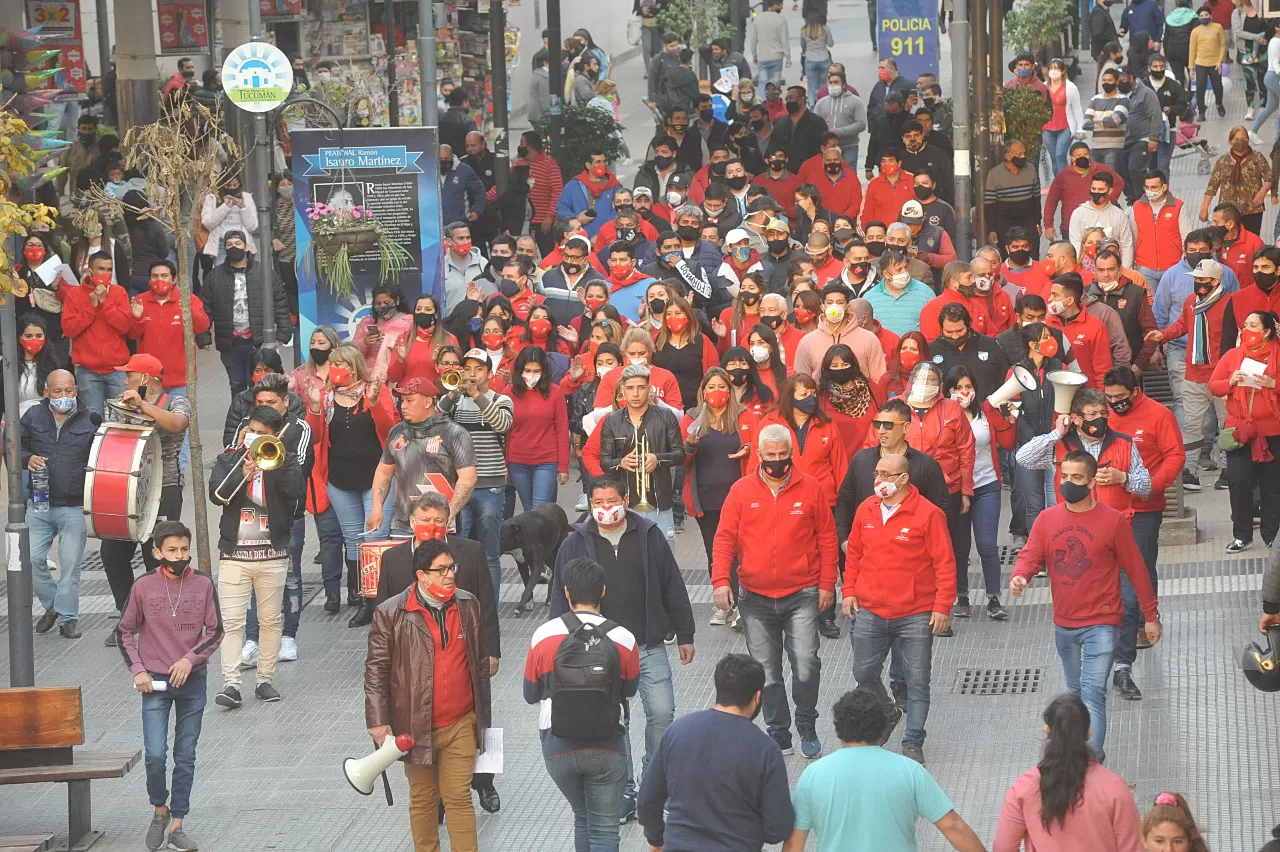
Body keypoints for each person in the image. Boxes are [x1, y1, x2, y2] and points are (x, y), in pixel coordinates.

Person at [548, 472, 695, 823]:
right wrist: (559, 642)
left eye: (612, 501)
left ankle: (653, 782)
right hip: (599, 652)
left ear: (626, 500)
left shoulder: (649, 535)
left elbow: (672, 584)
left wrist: (685, 632)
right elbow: (558, 594)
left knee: (662, 712)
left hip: (647, 643)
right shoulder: (575, 542)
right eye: (598, 503)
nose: (605, 508)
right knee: (615, 721)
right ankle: (626, 787)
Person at [1011, 451, 1161, 762]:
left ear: (1092, 482)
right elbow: (1030, 554)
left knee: (1093, 693)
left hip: (1102, 623)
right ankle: (1076, 755)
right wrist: (1020, 576)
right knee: (1074, 694)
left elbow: (1136, 569)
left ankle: (1093, 760)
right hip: (1064, 623)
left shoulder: (1113, 521)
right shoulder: (1046, 519)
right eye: (1064, 476)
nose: (1068, 483)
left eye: (1076, 478)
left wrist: (1150, 615)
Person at [712, 423, 839, 757]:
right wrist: (720, 581)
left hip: (802, 594)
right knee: (766, 671)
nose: (777, 461)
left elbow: (827, 538)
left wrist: (828, 584)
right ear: (759, 455)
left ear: (792, 454)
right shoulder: (740, 491)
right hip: (754, 597)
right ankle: (778, 731)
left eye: (783, 455)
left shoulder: (811, 489)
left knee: (807, 664)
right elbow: (724, 537)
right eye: (771, 455)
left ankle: (807, 723)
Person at [365, 538, 492, 852]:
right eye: (441, 570)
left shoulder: (468, 604)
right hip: (414, 726)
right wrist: (379, 721)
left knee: (459, 797)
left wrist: (481, 718)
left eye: (452, 568)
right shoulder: (390, 612)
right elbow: (376, 670)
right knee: (423, 800)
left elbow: (478, 662)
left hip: (461, 722)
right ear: (421, 575)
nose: (450, 575)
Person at [116, 521, 222, 852]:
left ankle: (178, 824)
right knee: (155, 755)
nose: (180, 556)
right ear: (158, 552)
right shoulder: (143, 586)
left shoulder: (203, 583)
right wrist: (137, 670)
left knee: (186, 755)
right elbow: (124, 631)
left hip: (193, 681)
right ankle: (159, 810)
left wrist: (190, 659)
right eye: (173, 550)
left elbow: (216, 631)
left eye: (184, 550)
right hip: (155, 683)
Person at [526, 556, 640, 851]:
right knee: (604, 827)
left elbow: (529, 694)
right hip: (607, 743)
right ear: (603, 591)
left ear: (566, 592)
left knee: (582, 817)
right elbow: (629, 690)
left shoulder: (543, 635)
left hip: (557, 743)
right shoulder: (624, 638)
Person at [783, 689, 986, 852]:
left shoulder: (813, 775)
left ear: (837, 730)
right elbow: (952, 826)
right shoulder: (910, 771)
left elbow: (794, 844)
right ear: (882, 729)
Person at [638, 653, 793, 851]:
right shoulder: (765, 749)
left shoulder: (678, 731)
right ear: (757, 697)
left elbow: (647, 800)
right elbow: (778, 828)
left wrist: (656, 839)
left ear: (719, 689)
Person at [210, 405, 304, 708]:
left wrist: (270, 464)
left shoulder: (286, 461)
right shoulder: (228, 459)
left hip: (272, 553)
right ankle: (231, 684)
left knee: (270, 620)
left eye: (262, 434)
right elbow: (217, 495)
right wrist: (242, 471)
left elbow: (296, 492)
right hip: (235, 553)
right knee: (233, 622)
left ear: (275, 436)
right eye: (251, 431)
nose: (254, 437)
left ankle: (265, 679)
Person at [1101, 367, 1183, 700]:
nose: (1114, 404)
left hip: (1145, 507)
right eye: (1110, 399)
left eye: (1120, 398)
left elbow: (1175, 455)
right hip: (1108, 506)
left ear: (1135, 392)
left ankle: (1142, 621)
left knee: (1141, 568)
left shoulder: (1158, 415)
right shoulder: (1101, 413)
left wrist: (1152, 485)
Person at [100, 354, 192, 646]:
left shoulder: (177, 401)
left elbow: (177, 425)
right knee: (112, 552)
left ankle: (163, 620)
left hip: (163, 488)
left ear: (145, 379)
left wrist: (143, 405)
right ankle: (128, 615)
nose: (124, 380)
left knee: (158, 556)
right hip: (126, 488)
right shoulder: (118, 402)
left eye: (129, 375)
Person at [993, 693, 1145, 852]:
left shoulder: (1023, 788)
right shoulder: (1114, 788)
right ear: (1088, 732)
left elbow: (1003, 847)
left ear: (1047, 731)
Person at [1148, 257, 1233, 491]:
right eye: (1196, 279)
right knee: (1191, 426)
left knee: (1227, 425)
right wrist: (1162, 335)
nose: (1198, 283)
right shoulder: (1191, 302)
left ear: (1216, 281)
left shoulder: (1230, 303)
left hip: (1222, 375)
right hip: (1194, 374)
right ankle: (1190, 472)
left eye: (1203, 279)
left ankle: (1228, 470)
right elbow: (1182, 326)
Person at [681, 368, 759, 626]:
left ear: (730, 390)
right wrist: (690, 444)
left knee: (741, 552)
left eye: (722, 387)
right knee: (715, 552)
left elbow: (758, 447)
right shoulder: (691, 418)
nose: (717, 392)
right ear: (703, 391)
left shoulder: (744, 416)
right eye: (711, 387)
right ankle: (722, 604)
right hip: (706, 497)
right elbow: (681, 459)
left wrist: (748, 450)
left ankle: (740, 603)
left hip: (739, 497)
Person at [22, 369, 95, 639]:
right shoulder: (33, 416)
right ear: (46, 391)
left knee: (70, 565)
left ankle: (68, 619)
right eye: (57, 391)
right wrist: (27, 458)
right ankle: (53, 606)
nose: (63, 396)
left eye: (68, 391)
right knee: (30, 559)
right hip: (39, 502)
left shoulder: (91, 419)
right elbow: (14, 446)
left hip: (74, 504)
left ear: (76, 389)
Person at [437, 348, 513, 604]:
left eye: (478, 369)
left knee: (490, 552)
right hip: (459, 487)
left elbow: (502, 424)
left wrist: (478, 396)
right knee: (455, 548)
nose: (471, 374)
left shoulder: (501, 399)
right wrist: (452, 393)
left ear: (489, 374)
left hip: (490, 487)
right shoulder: (455, 401)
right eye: (467, 369)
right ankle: (459, 599)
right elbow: (435, 419)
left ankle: (490, 604)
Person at [944, 366, 1016, 621]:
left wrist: (1008, 422)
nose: (964, 393)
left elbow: (1006, 444)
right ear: (948, 391)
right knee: (960, 547)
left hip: (986, 485)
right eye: (958, 388)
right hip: (956, 487)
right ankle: (961, 597)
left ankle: (994, 598)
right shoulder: (944, 414)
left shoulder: (986, 411)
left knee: (987, 545)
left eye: (969, 387)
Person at [369, 376, 478, 539]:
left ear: (428, 402)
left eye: (409, 400)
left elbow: (468, 478)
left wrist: (449, 513)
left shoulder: (455, 433)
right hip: (402, 525)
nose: (403, 406)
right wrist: (377, 509)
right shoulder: (397, 432)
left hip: (442, 527)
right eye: (402, 400)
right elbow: (384, 472)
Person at [1208, 309, 1280, 552]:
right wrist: (1230, 382)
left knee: (1272, 484)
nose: (1245, 330)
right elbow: (1214, 386)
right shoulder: (1233, 355)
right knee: (1239, 483)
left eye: (1252, 325)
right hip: (1240, 430)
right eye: (1244, 326)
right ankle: (1242, 535)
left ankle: (1271, 534)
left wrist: (1274, 384)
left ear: (1266, 331)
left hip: (1272, 430)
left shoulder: (1277, 355)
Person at [598, 363, 684, 541]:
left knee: (663, 559)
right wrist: (620, 463)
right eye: (630, 388)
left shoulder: (666, 416)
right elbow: (605, 461)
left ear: (649, 388)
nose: (635, 393)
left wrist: (657, 459)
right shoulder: (611, 421)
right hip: (625, 503)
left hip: (660, 502)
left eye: (641, 388)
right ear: (622, 390)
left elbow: (680, 454)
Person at [203, 230, 293, 395]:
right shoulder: (214, 277)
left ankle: (260, 418)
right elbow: (205, 307)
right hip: (230, 343)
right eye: (229, 245)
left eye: (237, 244)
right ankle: (240, 419)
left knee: (260, 385)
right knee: (236, 386)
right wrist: (203, 335)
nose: (233, 248)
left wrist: (284, 331)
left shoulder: (264, 272)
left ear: (246, 246)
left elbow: (279, 301)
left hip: (257, 341)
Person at [507, 346, 570, 510]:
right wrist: (505, 464)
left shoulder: (555, 393)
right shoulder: (508, 393)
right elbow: (504, 432)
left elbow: (562, 430)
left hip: (546, 461)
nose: (532, 375)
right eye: (527, 370)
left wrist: (563, 466)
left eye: (537, 371)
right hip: (517, 462)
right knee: (529, 511)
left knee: (538, 510)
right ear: (520, 370)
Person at [795, 282, 888, 381]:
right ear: (823, 307)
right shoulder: (807, 342)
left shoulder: (869, 339)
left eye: (840, 302)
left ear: (847, 307)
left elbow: (879, 380)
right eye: (830, 303)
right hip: (822, 395)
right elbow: (802, 381)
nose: (834, 307)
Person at [1045, 143, 1126, 243]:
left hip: (1100, 225)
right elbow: (1051, 201)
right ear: (1072, 158)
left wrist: (1107, 200)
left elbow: (1119, 183)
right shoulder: (1062, 176)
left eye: (1086, 154)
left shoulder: (1101, 169)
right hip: (1070, 226)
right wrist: (1048, 225)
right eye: (1079, 156)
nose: (1083, 157)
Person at [1202, 127, 1273, 238]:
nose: (1240, 141)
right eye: (1236, 138)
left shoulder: (1257, 158)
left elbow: (1269, 178)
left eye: (1243, 138)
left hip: (1252, 209)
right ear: (1231, 141)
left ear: (1248, 140)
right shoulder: (1222, 161)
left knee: (1251, 240)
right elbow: (1212, 186)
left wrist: (1262, 192)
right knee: (1228, 240)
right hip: (1227, 212)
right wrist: (1204, 208)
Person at [1046, 273, 1114, 387]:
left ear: (1069, 300)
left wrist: (1100, 401)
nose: (1050, 299)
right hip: (1052, 395)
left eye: (1055, 295)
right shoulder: (1047, 324)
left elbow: (1102, 370)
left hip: (1084, 396)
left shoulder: (1096, 327)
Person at [983, 139, 1041, 249]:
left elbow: (1036, 200)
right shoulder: (994, 174)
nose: (1023, 156)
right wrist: (992, 230)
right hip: (1004, 224)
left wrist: (1037, 223)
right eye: (1020, 154)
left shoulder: (1031, 170)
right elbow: (990, 205)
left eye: (1024, 153)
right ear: (1008, 156)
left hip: (1028, 221)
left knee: (1032, 254)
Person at [353, 284, 414, 382]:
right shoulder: (366, 322)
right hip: (368, 379)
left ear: (397, 300)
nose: (383, 306)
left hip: (397, 378)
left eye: (387, 302)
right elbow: (352, 353)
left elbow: (414, 350)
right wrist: (365, 342)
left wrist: (390, 341)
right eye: (378, 303)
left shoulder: (410, 321)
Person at [813, 69, 866, 169]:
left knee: (849, 175)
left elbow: (861, 124)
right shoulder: (821, 103)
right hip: (828, 148)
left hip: (849, 146)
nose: (833, 85)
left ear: (844, 85)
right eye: (830, 82)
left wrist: (840, 131)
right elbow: (815, 124)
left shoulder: (855, 101)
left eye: (836, 82)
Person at [861, 150, 916, 231]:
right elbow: (865, 213)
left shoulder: (912, 180)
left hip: (909, 232)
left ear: (899, 163)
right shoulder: (873, 184)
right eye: (883, 161)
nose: (886, 164)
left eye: (891, 161)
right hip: (882, 235)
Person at [1190, 5, 1228, 119]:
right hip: (1200, 63)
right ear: (1198, 18)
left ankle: (1219, 104)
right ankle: (1201, 112)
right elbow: (1192, 50)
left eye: (1206, 15)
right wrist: (1191, 68)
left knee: (1218, 87)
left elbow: (1222, 45)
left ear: (1210, 16)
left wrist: (1220, 61)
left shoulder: (1218, 27)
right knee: (1200, 88)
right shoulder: (1195, 31)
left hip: (1215, 63)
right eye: (1201, 16)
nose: (1204, 17)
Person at [751, 0, 791, 86]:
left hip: (762, 57)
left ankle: (763, 99)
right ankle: (774, 98)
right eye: (781, 5)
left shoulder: (757, 19)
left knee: (763, 82)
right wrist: (788, 58)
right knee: (775, 83)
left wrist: (754, 55)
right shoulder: (781, 19)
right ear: (776, 5)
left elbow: (754, 40)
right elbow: (784, 40)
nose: (782, 7)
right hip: (777, 57)